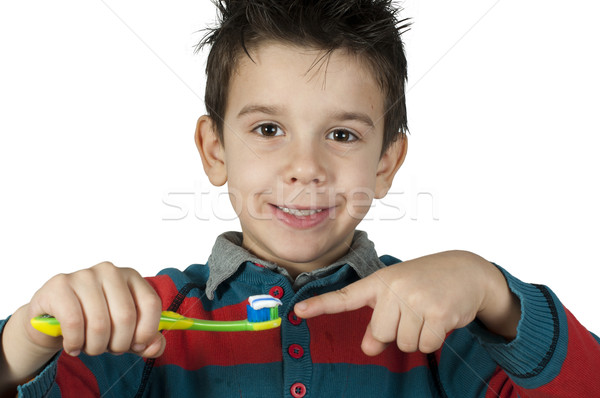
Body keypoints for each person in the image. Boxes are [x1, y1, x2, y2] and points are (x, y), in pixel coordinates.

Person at [1, 0, 599, 396]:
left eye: (342, 135)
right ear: (214, 150)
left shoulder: (438, 327)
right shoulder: (143, 324)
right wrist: (28, 340)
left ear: (386, 162)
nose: (305, 169)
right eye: (268, 130)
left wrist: (493, 291)